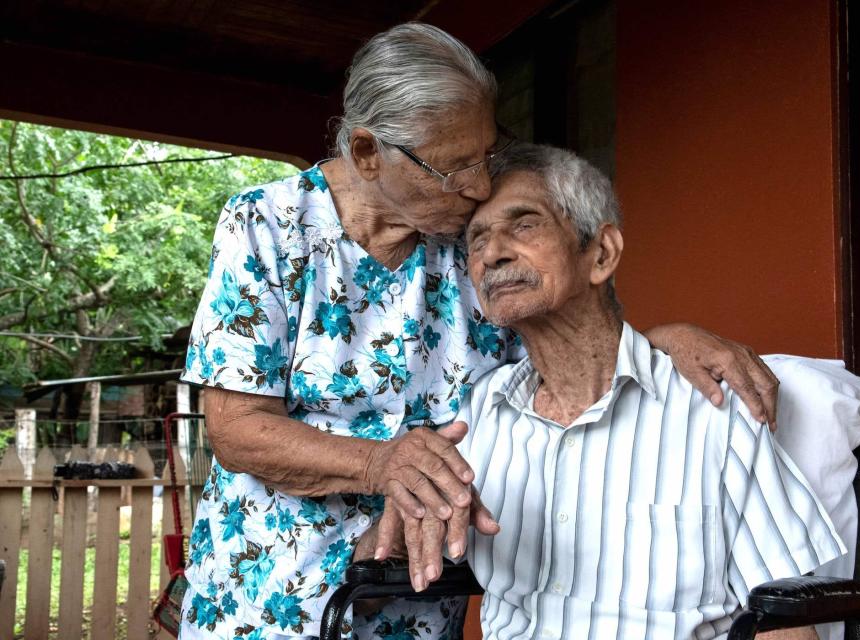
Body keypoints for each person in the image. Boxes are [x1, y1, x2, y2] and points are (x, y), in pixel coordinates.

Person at [179, 23, 781, 640]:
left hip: (419, 593)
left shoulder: (467, 241)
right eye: (453, 168)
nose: (480, 186)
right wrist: (381, 464)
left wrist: (660, 341)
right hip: (271, 593)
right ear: (366, 154)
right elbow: (237, 429)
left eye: (486, 155)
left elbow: (567, 339)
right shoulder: (270, 225)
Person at [379, 143, 845, 639]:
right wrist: (402, 518)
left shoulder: (710, 408)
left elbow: (785, 620)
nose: (492, 254)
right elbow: (402, 545)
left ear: (600, 254)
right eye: (477, 240)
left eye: (524, 224)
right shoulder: (481, 413)